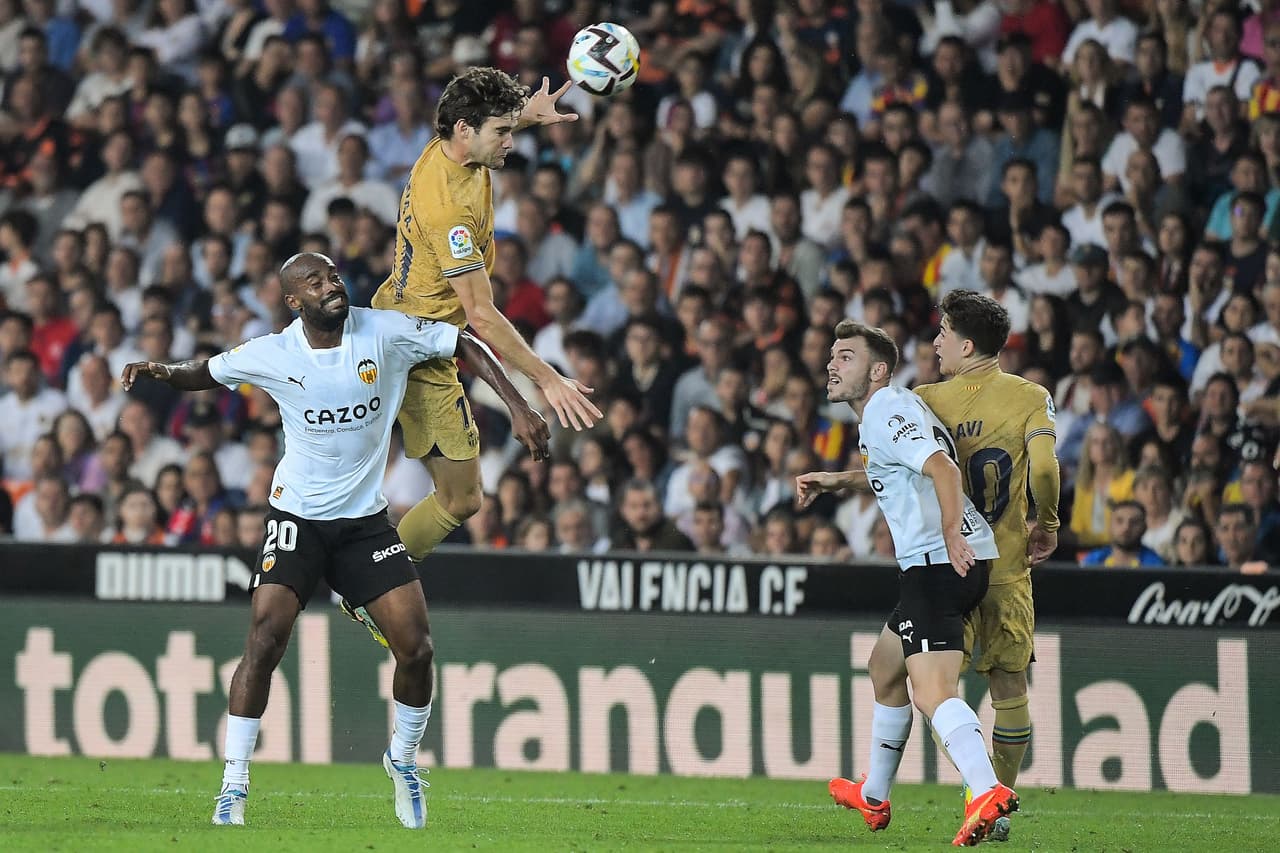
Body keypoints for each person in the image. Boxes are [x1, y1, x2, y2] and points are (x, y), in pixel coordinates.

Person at [120, 253, 550, 830]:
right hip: (296, 515)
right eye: (316, 282)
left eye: (334, 276)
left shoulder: (383, 331)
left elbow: (464, 343)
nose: (332, 286)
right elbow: (208, 370)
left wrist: (518, 404)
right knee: (265, 639)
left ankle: (402, 761)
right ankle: (233, 784)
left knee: (417, 648)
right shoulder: (275, 352)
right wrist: (159, 371)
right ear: (295, 302)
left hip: (363, 524)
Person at [367, 66, 601, 641]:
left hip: (405, 325)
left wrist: (525, 113)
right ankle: (370, 591)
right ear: (467, 132)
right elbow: (481, 318)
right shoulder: (449, 211)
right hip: (416, 348)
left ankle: (367, 580)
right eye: (504, 132)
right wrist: (545, 382)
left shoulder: (456, 145)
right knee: (462, 496)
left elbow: (478, 114)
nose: (512, 143)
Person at [795, 320, 1017, 847]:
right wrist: (841, 480)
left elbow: (941, 469)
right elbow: (901, 469)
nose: (832, 364)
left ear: (877, 370)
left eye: (845, 357)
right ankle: (874, 793)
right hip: (944, 562)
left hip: (939, 564)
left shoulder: (887, 409)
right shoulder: (886, 411)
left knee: (933, 691)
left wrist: (946, 535)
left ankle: (987, 791)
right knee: (885, 668)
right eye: (832, 355)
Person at [912, 290, 1061, 842]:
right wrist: (1047, 522)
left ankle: (979, 793)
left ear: (966, 343)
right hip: (1006, 568)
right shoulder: (1030, 397)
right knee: (1010, 690)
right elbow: (1044, 470)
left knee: (938, 694)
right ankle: (993, 801)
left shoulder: (925, 400)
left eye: (943, 333)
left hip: (949, 568)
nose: (935, 342)